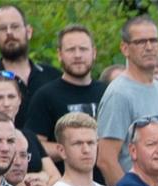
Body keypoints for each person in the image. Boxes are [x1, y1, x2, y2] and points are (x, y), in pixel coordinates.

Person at [96, 17, 158, 185]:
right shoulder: (119, 94)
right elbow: (106, 160)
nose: (149, 47)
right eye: (141, 42)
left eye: (153, 40)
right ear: (125, 48)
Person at [24, 26, 107, 162]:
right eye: (71, 49)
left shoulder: (107, 93)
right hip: (63, 180)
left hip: (105, 182)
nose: (78, 55)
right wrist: (71, 149)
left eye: (83, 49)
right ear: (59, 54)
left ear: (94, 52)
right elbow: (34, 145)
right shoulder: (45, 96)